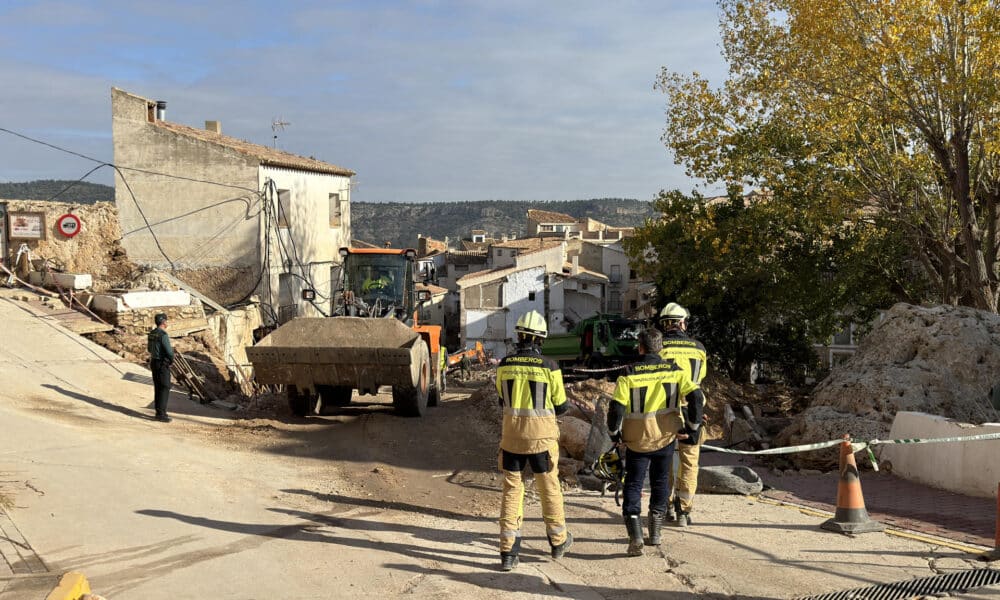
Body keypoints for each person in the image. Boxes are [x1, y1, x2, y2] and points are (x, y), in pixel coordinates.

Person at [607, 327, 704, 556]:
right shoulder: (676, 372)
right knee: (660, 482)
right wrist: (692, 428)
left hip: (636, 441)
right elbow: (696, 397)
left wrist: (614, 434)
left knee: (633, 484)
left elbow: (616, 409)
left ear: (640, 347)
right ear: (660, 347)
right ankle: (656, 534)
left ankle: (635, 537)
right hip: (665, 439)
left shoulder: (629, 374)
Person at [494, 310, 572, 571]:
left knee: (512, 490)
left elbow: (501, 400)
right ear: (540, 339)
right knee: (548, 488)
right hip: (542, 440)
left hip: (512, 438)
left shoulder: (504, 365)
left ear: (519, 336)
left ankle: (508, 552)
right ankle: (558, 541)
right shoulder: (550, 366)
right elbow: (561, 407)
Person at [657, 302, 708, 527]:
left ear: (665, 325)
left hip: (665, 410)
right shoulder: (699, 349)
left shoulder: (659, 349)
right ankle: (684, 511)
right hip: (692, 410)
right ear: (682, 323)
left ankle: (667, 505)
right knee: (689, 462)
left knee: (665, 460)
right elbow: (698, 381)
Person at [147, 313, 175, 423]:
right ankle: (161, 414)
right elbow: (169, 351)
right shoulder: (163, 335)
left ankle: (158, 411)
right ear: (163, 322)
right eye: (166, 321)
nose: (167, 322)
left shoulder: (152, 334)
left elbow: (149, 349)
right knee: (165, 387)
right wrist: (171, 360)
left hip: (154, 362)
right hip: (162, 363)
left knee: (158, 386)